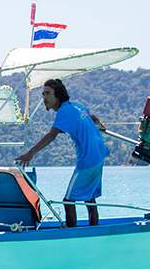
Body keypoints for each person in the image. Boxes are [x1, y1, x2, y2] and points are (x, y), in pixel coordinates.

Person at [16, 78, 108, 227]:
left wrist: (30, 153)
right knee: (89, 197)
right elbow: (91, 117)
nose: (44, 97)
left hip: (88, 159)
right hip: (100, 153)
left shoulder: (64, 111)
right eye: (43, 93)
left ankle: (71, 234)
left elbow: (52, 135)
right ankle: (94, 231)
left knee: (68, 201)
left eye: (48, 93)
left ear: (58, 95)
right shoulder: (76, 106)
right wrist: (99, 123)